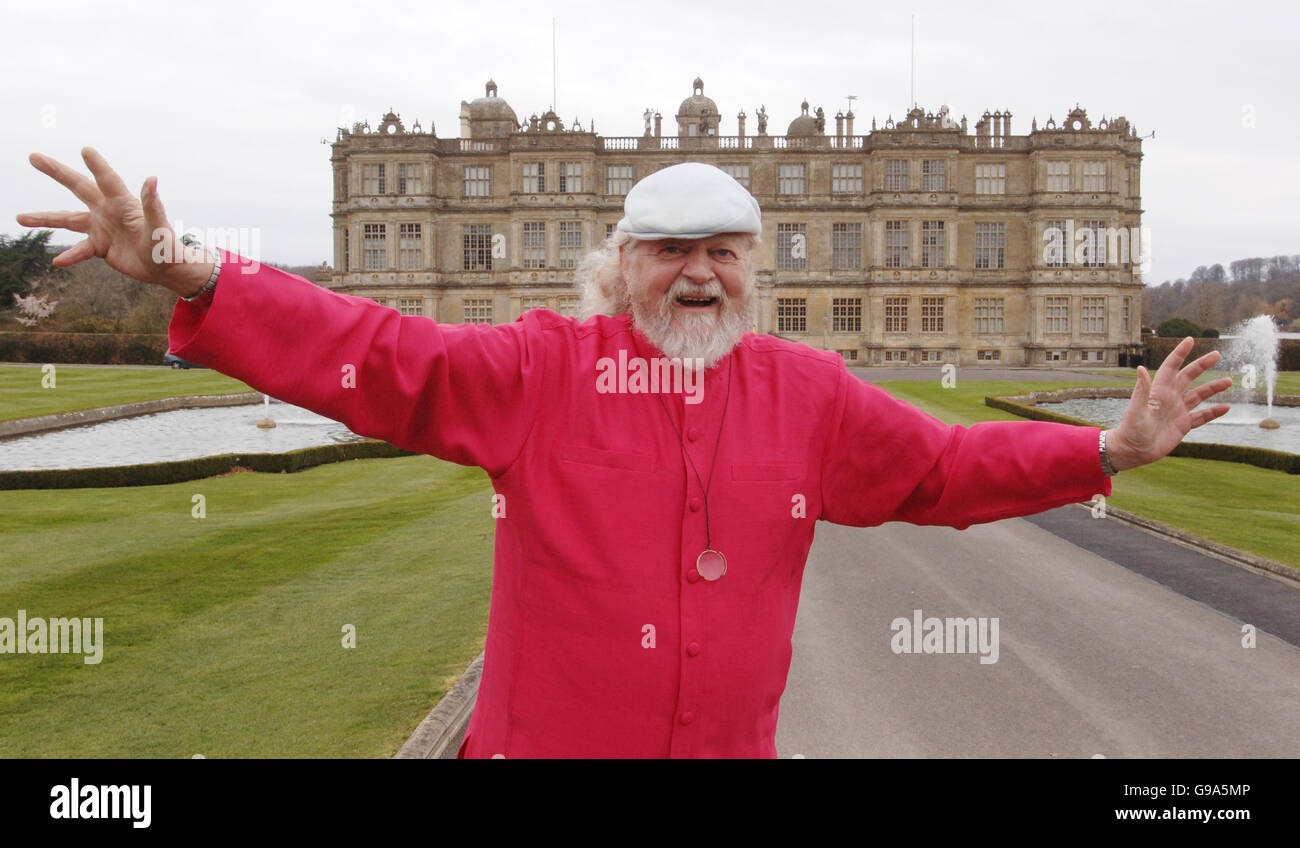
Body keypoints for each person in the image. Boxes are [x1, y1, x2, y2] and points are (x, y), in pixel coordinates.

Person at [18, 149, 1233, 758]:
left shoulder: (807, 390)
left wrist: (1104, 450)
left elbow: (942, 469)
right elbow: (382, 352)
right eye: (669, 252)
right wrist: (196, 269)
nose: (697, 273)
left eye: (722, 251)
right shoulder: (541, 367)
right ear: (622, 264)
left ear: (755, 267)